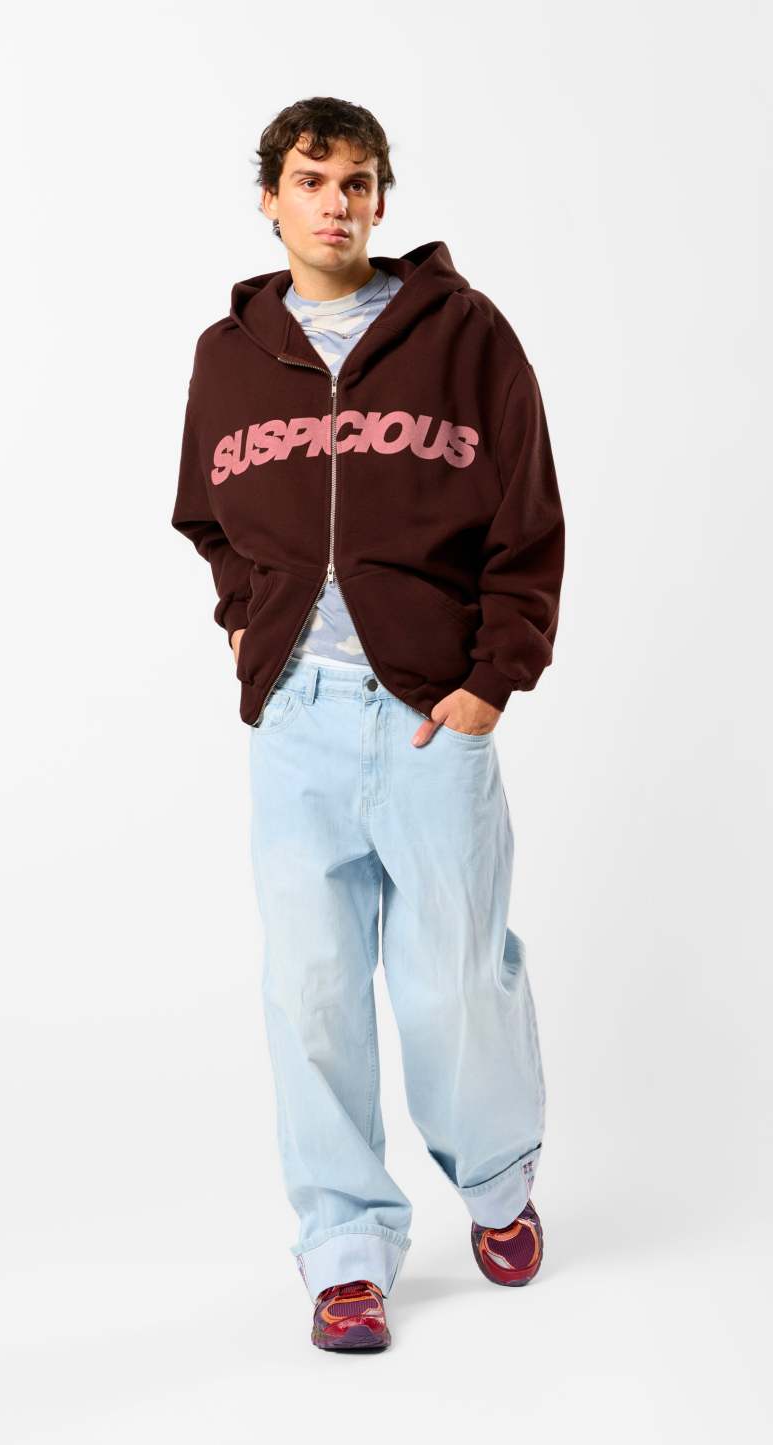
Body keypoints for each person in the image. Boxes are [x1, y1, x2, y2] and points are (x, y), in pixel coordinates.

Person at [170, 96, 565, 1353]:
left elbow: (527, 516)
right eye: (311, 178)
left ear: (382, 199)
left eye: (357, 181)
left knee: (452, 979)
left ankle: (495, 1179)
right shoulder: (229, 355)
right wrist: (246, 622)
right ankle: (344, 1244)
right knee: (312, 990)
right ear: (270, 199)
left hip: (427, 715)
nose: (335, 202)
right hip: (294, 717)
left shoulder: (463, 333)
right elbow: (206, 514)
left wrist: (490, 679)